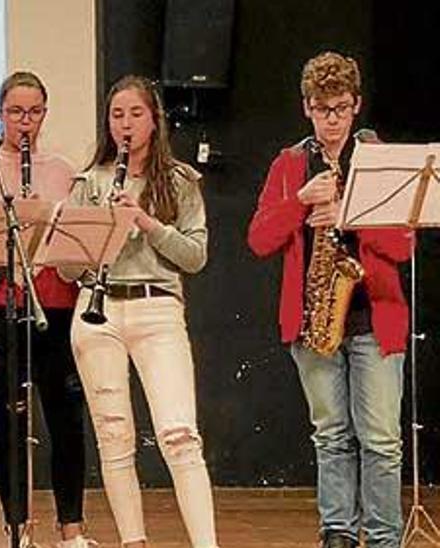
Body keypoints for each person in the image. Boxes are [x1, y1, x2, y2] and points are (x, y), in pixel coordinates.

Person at [247, 51, 410, 548]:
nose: (332, 120)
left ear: (356, 105)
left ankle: (383, 537)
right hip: (314, 318)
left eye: (340, 108)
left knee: (381, 441)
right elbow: (258, 239)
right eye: (322, 109)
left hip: (373, 316)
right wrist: (300, 202)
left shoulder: (377, 157)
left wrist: (346, 215)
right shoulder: (291, 163)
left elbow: (403, 244)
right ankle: (337, 532)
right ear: (306, 109)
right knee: (331, 435)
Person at [62, 75, 215, 548]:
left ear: (154, 120)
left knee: (179, 434)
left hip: (157, 308)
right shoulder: (89, 183)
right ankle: (134, 541)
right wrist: (97, 232)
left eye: (135, 114)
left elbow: (195, 256)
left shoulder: (180, 181)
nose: (125, 124)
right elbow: (68, 270)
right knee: (113, 435)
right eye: (116, 115)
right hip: (97, 311)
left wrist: (147, 223)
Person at [0, 71, 91, 547]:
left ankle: (71, 528)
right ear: (0, 115)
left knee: (66, 416)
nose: (24, 122)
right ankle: (16, 527)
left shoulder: (63, 170)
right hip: (1, 306)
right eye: (15, 112)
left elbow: (77, 243)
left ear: (45, 114)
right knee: (9, 417)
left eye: (34, 112)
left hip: (56, 303)